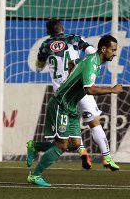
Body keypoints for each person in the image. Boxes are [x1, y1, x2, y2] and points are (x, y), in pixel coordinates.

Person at [27, 34, 123, 187]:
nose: (115, 53)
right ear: (103, 49)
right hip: (62, 104)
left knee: (74, 144)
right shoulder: (92, 62)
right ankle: (35, 175)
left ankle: (36, 146)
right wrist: (112, 90)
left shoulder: (92, 61)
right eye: (113, 50)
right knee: (62, 145)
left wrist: (74, 74)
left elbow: (72, 63)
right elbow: (89, 90)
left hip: (71, 107)